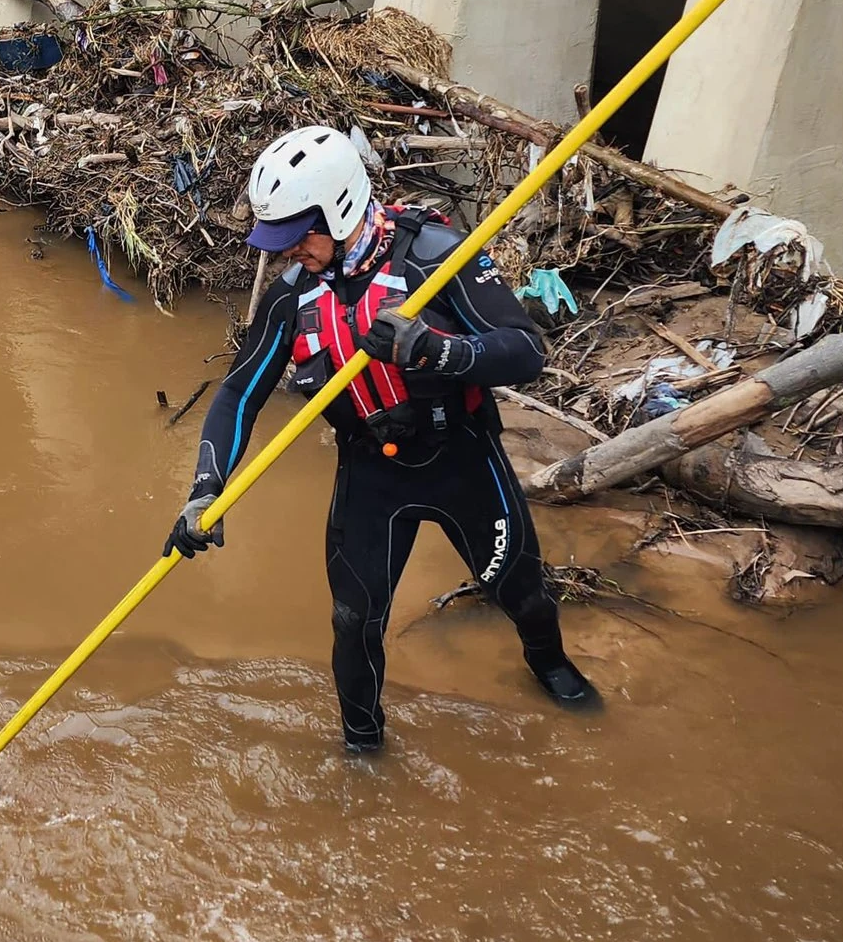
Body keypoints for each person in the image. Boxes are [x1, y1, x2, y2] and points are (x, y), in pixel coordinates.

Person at [167, 125, 596, 752]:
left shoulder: (436, 256)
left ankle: (552, 669)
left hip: (462, 460)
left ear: (339, 207)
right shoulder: (292, 298)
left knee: (521, 593)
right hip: (370, 473)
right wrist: (206, 491)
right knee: (353, 622)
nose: (289, 254)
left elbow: (526, 350)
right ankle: (363, 753)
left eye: (297, 237)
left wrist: (435, 351)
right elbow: (236, 394)